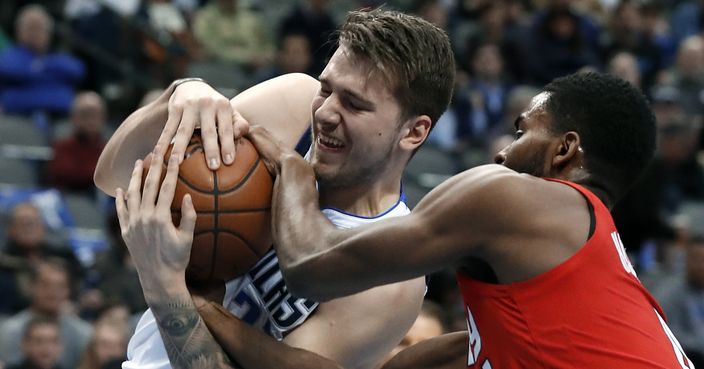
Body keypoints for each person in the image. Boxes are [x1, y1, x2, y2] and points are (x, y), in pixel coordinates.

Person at [215, 71, 694, 368]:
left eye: (522, 131)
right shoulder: (590, 266)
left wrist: (294, 166)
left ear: (565, 150)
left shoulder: (517, 197)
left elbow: (311, 266)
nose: (504, 152)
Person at [93, 8, 454, 369]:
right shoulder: (294, 107)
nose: (326, 113)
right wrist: (178, 95)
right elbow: (111, 177)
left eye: (354, 104)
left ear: (414, 132)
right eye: (327, 88)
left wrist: (167, 289)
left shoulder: (390, 275)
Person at [0, 260, 92, 369]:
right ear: (32, 287)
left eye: (59, 286)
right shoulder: (10, 330)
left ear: (68, 291)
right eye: (46, 284)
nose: (52, 291)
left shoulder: (83, 333)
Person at [0, 4, 85, 116]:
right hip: (18, 118)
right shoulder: (8, 56)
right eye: (31, 28)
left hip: (61, 118)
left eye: (40, 28)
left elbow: (78, 70)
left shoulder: (58, 57)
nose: (35, 33)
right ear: (18, 31)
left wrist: (39, 67)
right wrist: (52, 74)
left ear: (49, 33)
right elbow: (10, 70)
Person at [47, 91, 107, 194]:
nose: (91, 120)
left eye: (95, 115)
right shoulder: (62, 147)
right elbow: (64, 174)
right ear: (74, 117)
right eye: (85, 115)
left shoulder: (108, 148)